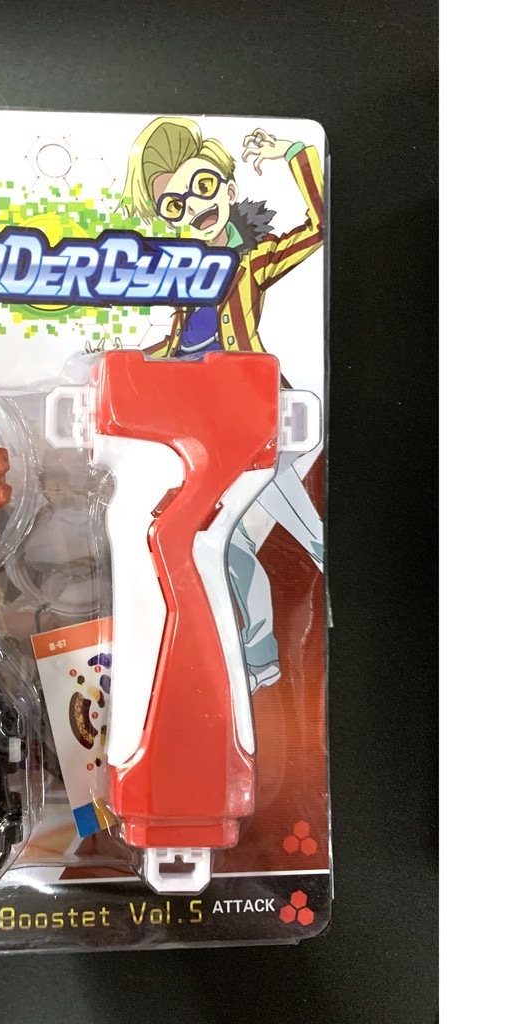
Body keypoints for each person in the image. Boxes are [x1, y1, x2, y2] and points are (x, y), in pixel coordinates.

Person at [121, 119, 325, 690]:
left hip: (260, 424)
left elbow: (319, 224)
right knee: (229, 545)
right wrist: (123, 364)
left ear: (229, 189)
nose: (195, 207)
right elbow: (178, 350)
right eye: (176, 205)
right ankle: (261, 660)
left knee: (309, 533)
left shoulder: (251, 263)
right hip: (213, 434)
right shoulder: (188, 285)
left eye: (203, 187)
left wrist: (293, 152)